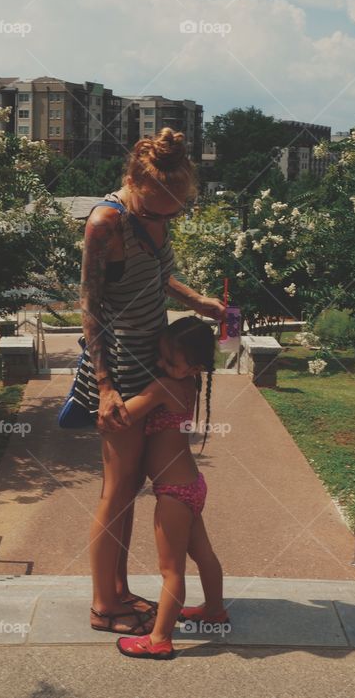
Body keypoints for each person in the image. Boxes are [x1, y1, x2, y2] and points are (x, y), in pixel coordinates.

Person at [75, 128, 226, 635]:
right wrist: (104, 386)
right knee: (117, 489)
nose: (166, 219)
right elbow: (90, 305)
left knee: (134, 484)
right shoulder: (105, 222)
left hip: (153, 352)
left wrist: (196, 301)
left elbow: (153, 278)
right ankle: (102, 604)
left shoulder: (155, 214)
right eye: (159, 210)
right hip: (117, 363)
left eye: (174, 212)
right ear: (134, 183)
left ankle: (118, 591)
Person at [115, 316, 229, 660]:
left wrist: (104, 393)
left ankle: (160, 639)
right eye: (160, 357)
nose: (160, 365)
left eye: (169, 361)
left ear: (193, 365)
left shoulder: (162, 387)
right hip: (191, 485)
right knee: (204, 555)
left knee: (171, 569)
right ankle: (214, 611)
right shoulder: (190, 384)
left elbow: (122, 416)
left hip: (174, 493)